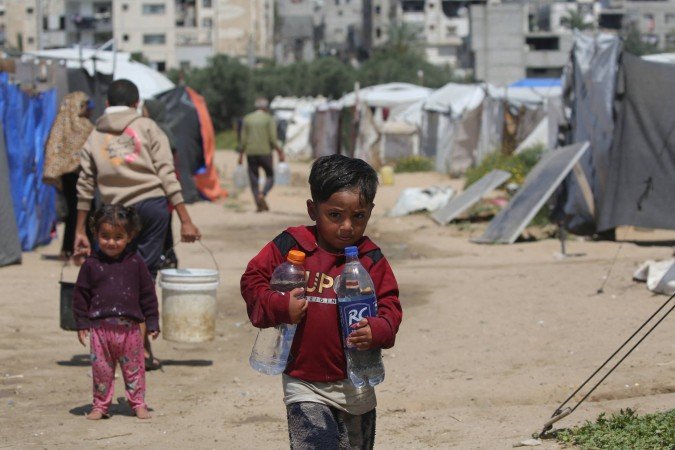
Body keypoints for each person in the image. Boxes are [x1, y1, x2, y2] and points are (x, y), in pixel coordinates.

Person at [240, 154, 403, 448]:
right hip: (304, 383)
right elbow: (252, 280)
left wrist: (378, 329)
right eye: (335, 215)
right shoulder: (291, 244)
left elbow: (390, 306)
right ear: (313, 209)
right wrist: (280, 306)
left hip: (356, 383)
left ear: (370, 211)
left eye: (359, 216)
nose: (347, 226)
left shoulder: (370, 258)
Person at [73, 79, 201, 371]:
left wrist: (80, 230)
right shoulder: (148, 127)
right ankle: (140, 349)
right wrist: (186, 219)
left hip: (113, 215)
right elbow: (167, 174)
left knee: (115, 276)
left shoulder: (95, 135)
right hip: (152, 208)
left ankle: (130, 345)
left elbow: (85, 186)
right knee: (144, 277)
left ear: (107, 104)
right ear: (136, 104)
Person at [72, 204, 159, 420]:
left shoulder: (136, 263)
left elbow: (147, 295)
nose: (111, 242)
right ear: (96, 234)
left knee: (134, 369)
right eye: (105, 236)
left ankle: (138, 403)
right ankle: (100, 406)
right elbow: (81, 295)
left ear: (130, 236)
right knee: (101, 370)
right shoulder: (91, 265)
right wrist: (81, 323)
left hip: (130, 330)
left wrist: (152, 322)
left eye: (118, 237)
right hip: (100, 329)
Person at [42, 91, 94, 260]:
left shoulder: (60, 124)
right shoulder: (84, 126)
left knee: (73, 211)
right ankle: (81, 247)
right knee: (82, 209)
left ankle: (68, 248)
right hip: (78, 174)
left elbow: (51, 147)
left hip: (67, 173)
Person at [237, 97, 284, 212]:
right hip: (265, 152)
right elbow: (273, 138)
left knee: (253, 178)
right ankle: (263, 194)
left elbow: (243, 139)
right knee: (270, 175)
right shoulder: (269, 119)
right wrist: (280, 152)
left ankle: (258, 204)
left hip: (250, 152)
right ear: (266, 107)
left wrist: (240, 155)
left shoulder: (247, 118)